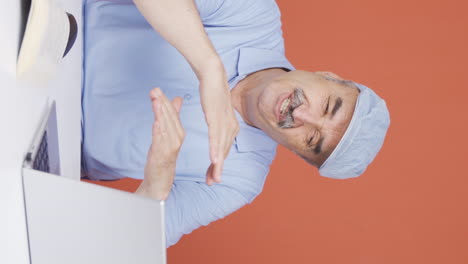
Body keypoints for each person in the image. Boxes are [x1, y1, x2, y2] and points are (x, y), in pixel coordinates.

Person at [81, 0, 390, 247]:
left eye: (312, 140)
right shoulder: (255, 13)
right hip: (48, 19)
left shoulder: (238, 182)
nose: (302, 116)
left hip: (47, 140)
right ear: (328, 76)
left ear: (298, 154)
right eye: (328, 106)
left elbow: (128, 246)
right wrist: (209, 68)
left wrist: (155, 185)